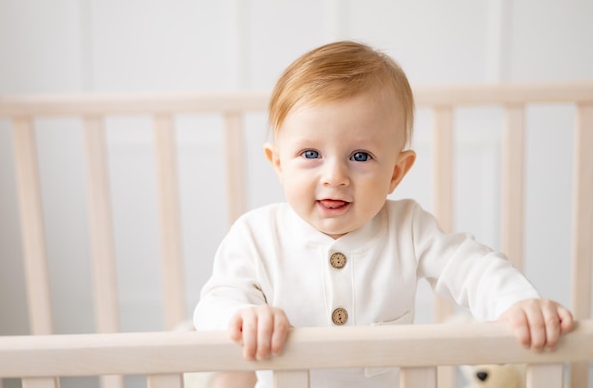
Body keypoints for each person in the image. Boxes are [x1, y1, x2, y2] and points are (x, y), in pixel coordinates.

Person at [193, 41, 574, 388]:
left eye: (360, 157)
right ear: (278, 163)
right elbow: (215, 301)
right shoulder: (257, 235)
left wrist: (515, 303)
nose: (334, 177)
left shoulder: (408, 228)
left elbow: (471, 266)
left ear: (395, 172)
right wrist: (242, 316)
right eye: (311, 154)